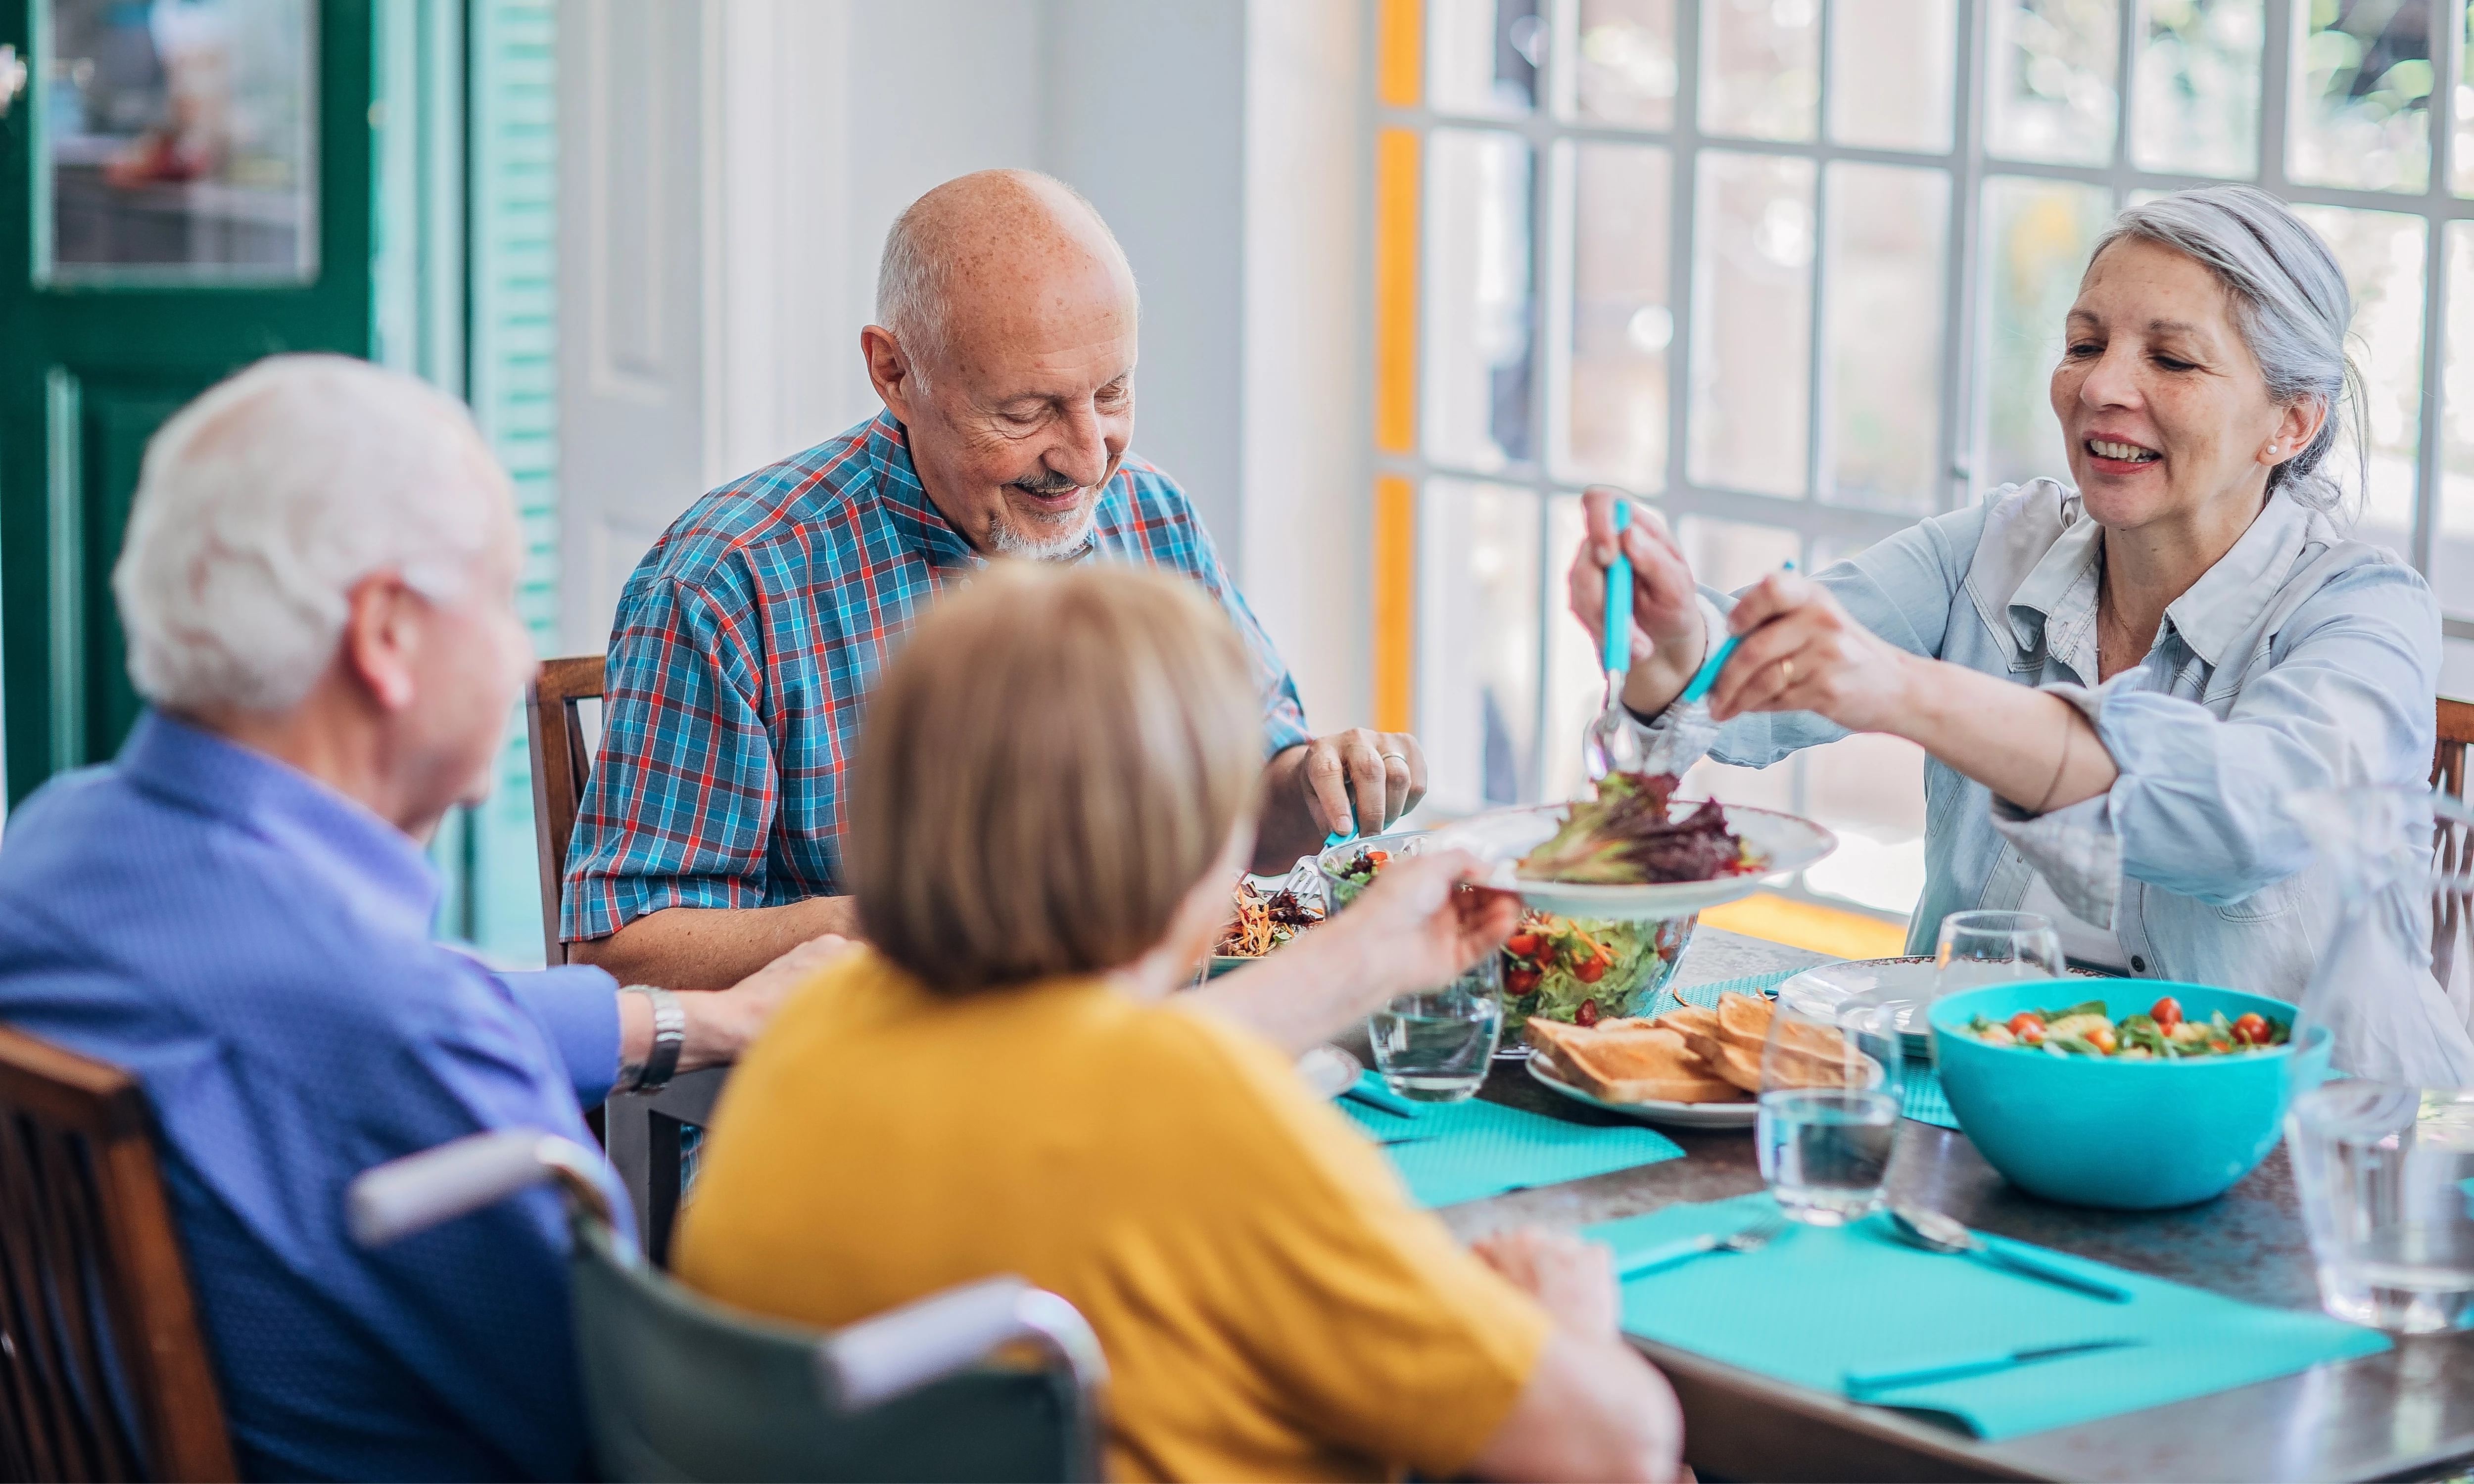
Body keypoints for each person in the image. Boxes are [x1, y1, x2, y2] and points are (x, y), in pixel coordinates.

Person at [0, 355, 837, 1480]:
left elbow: (335, 1034)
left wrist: (691, 1020)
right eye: (498, 597)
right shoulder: (392, 1036)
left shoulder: (57, 845)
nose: (516, 648)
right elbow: (635, 1441)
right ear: (387, 635)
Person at [673, 562, 1684, 1484]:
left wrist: (1368, 953)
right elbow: (1619, 1448)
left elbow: (1090, 1075)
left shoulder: (816, 1022)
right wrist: (1570, 1324)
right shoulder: (1206, 1125)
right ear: (1204, 851)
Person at [1570, 183, 2469, 1083]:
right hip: (1990, 1101)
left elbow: (2249, 823)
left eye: (2173, 361)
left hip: (2334, 1146)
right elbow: (1743, 688)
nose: (2103, 388)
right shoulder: (1997, 547)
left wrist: (1909, 693)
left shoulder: (2363, 609)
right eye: (2086, 345)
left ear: (2291, 422)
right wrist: (1678, 633)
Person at [564, 169, 1425, 996]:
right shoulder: (729, 581)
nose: (1089, 458)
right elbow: (621, 955)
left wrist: (1321, 788)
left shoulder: (1151, 515)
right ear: (894, 373)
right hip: (860, 1097)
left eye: (1113, 393)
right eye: (1026, 412)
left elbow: (1252, 813)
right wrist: (939, 925)